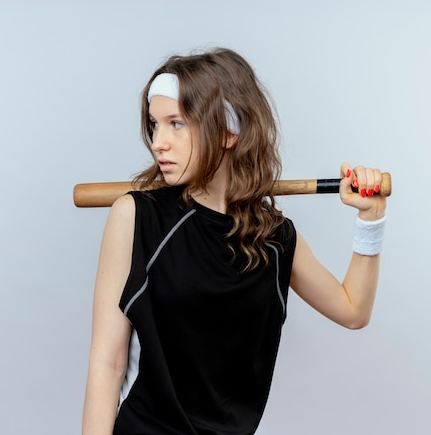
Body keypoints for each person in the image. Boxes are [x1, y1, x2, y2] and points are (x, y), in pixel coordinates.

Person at [82, 48, 387, 435]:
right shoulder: (138, 216)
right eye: (154, 124)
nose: (158, 141)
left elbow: (353, 310)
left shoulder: (274, 238)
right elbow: (106, 363)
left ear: (228, 133)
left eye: (175, 123)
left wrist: (371, 218)